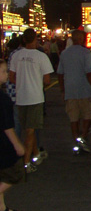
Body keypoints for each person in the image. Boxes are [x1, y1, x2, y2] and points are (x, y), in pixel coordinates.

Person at [9, 28, 53, 171]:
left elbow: (11, 77)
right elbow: (47, 80)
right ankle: (26, 163)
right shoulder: (41, 57)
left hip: (21, 97)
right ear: (35, 39)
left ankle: (35, 153)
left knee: (28, 129)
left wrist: (22, 82)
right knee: (30, 130)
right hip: (35, 97)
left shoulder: (16, 56)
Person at [57, 29, 91, 153]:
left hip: (70, 89)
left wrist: (62, 90)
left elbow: (60, 73)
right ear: (81, 39)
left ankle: (76, 141)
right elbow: (89, 73)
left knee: (73, 118)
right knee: (88, 114)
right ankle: (83, 137)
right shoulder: (86, 53)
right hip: (85, 89)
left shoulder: (65, 53)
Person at [0, 59, 25, 211]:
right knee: (15, 173)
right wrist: (18, 146)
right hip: (3, 143)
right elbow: (7, 126)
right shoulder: (3, 99)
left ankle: (1, 209)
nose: (7, 74)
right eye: (3, 71)